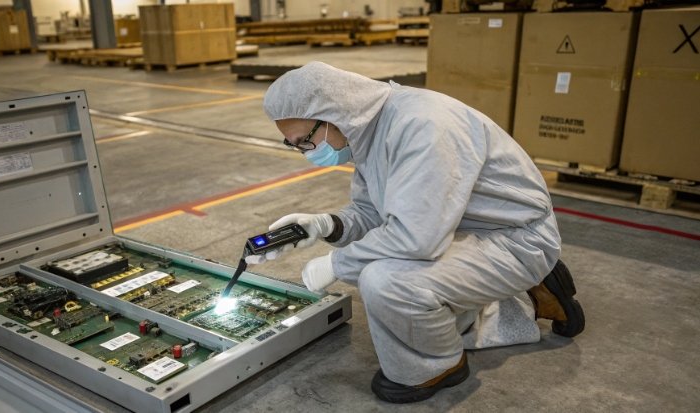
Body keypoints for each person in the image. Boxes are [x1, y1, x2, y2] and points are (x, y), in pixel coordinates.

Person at [245, 62, 585, 403]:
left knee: (387, 281)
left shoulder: (422, 126)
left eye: (305, 141)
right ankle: (517, 295)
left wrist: (337, 264)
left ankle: (437, 365)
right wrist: (323, 225)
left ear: (331, 113)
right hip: (458, 230)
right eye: (295, 145)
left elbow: (415, 237)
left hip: (514, 238)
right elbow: (373, 212)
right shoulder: (367, 131)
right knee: (398, 276)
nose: (307, 152)